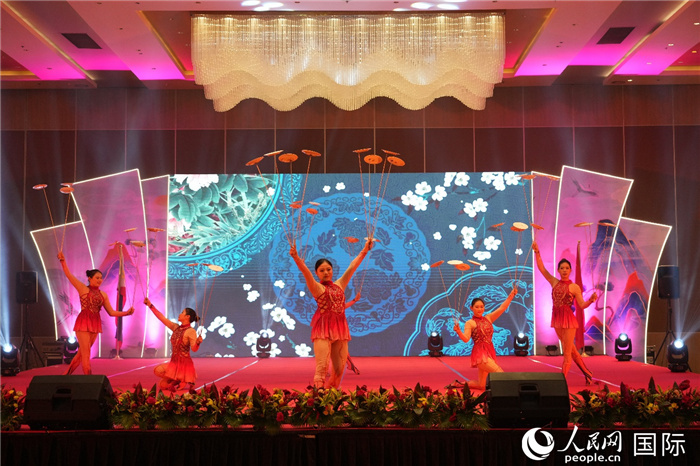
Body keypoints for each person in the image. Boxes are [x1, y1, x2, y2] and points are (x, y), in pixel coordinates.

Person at [290, 238, 374, 388]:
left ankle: (331, 397)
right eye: (322, 270)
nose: (326, 272)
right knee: (322, 368)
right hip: (323, 331)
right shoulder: (317, 288)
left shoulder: (340, 284)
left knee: (339, 369)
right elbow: (305, 272)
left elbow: (352, 267)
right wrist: (296, 257)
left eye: (328, 269)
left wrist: (365, 250)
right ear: (317, 273)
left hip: (340, 330)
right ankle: (318, 398)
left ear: (332, 270)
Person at [57, 251, 135, 375]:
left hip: (95, 324)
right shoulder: (83, 288)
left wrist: (126, 313)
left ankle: (65, 376)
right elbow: (69, 275)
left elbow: (111, 312)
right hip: (83, 322)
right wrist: (63, 261)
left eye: (101, 278)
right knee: (86, 354)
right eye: (97, 278)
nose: (100, 280)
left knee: (81, 354)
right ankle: (89, 378)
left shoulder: (103, 295)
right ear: (90, 278)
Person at [532, 241, 597, 384]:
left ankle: (561, 382)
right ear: (558, 270)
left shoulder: (574, 287)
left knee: (567, 354)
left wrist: (591, 300)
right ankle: (588, 373)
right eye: (562, 268)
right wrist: (537, 252)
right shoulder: (554, 282)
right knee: (572, 350)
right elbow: (542, 269)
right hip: (557, 320)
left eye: (567, 268)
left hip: (568, 322)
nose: (564, 270)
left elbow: (582, 305)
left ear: (570, 270)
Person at [452, 285, 518, 390]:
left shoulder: (488, 318)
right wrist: (459, 331)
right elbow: (466, 339)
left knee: (481, 385)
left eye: (481, 307)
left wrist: (511, 295)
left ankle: (458, 384)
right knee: (500, 374)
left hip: (489, 352)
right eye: (477, 307)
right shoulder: (470, 323)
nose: (479, 309)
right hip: (480, 355)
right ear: (471, 308)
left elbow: (502, 308)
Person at [143, 297, 203, 392]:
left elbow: (194, 349)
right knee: (161, 380)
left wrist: (198, 343)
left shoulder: (191, 331)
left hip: (184, 365)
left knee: (163, 383)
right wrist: (150, 305)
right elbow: (161, 318)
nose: (180, 314)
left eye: (182, 312)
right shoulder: (175, 327)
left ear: (187, 317)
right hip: (174, 363)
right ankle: (177, 379)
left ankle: (183, 378)